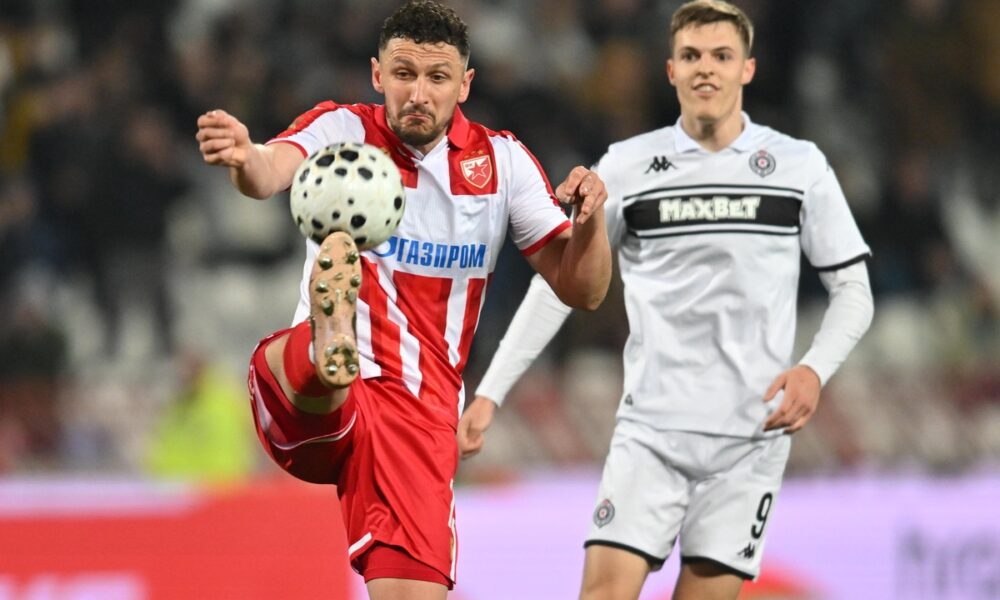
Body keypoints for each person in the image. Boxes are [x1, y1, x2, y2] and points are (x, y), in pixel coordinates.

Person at [457, 2, 874, 599]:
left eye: (722, 56)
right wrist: (491, 391)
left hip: (750, 440)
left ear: (748, 69)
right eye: (692, 56)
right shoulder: (628, 166)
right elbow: (563, 286)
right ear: (671, 69)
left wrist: (813, 369)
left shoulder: (797, 166)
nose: (707, 69)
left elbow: (853, 293)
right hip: (651, 432)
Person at [195, 2, 611, 599]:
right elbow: (267, 172)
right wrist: (243, 157)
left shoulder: (502, 165)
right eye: (403, 73)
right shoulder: (342, 130)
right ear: (376, 74)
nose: (419, 92)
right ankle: (329, 343)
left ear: (465, 84)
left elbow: (584, 288)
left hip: (419, 419)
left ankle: (327, 348)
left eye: (437, 77)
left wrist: (591, 220)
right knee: (311, 375)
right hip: (322, 395)